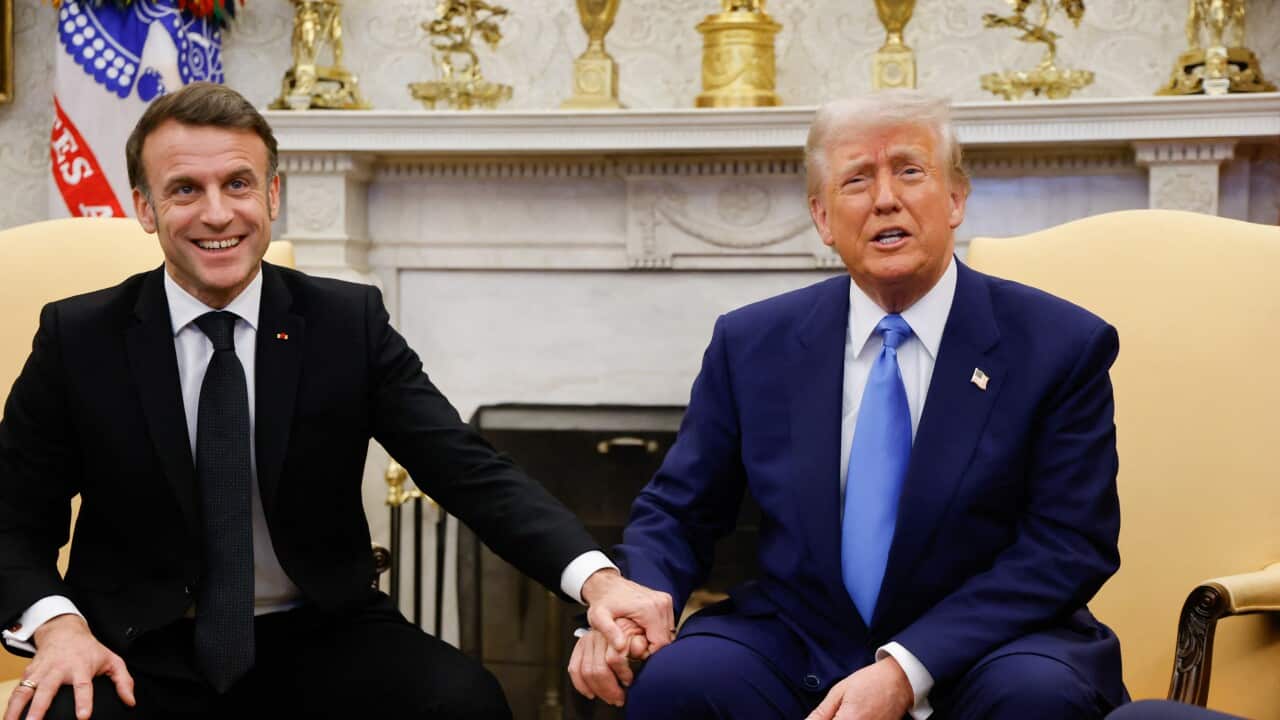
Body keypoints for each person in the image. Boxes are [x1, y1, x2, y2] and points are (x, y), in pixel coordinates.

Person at [0, 82, 673, 720]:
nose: (216, 212)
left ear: (272, 195)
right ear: (145, 208)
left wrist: (598, 582)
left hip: (320, 630)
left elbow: (467, 470)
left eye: (238, 184)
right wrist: (58, 628)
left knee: (463, 702)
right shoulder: (79, 338)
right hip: (131, 641)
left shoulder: (345, 323)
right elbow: (12, 519)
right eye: (184, 189)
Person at [568, 90, 1128, 719]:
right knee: (678, 680)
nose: (885, 197)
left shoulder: (1059, 344)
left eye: (910, 171)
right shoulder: (752, 342)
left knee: (1036, 697)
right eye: (857, 179)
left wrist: (905, 667)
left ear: (955, 199)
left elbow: (1068, 544)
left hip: (989, 643)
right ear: (823, 218)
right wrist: (628, 610)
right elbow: (680, 510)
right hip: (801, 633)